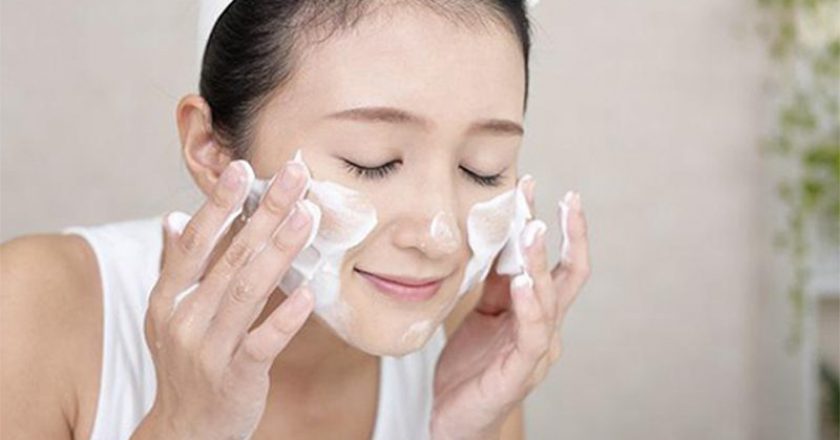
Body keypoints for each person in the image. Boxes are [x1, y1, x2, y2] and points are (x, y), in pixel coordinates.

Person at [0, 0, 591, 438]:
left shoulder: (464, 342)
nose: (441, 235)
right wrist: (182, 430)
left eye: (483, 168)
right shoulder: (33, 309)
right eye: (372, 162)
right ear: (210, 148)